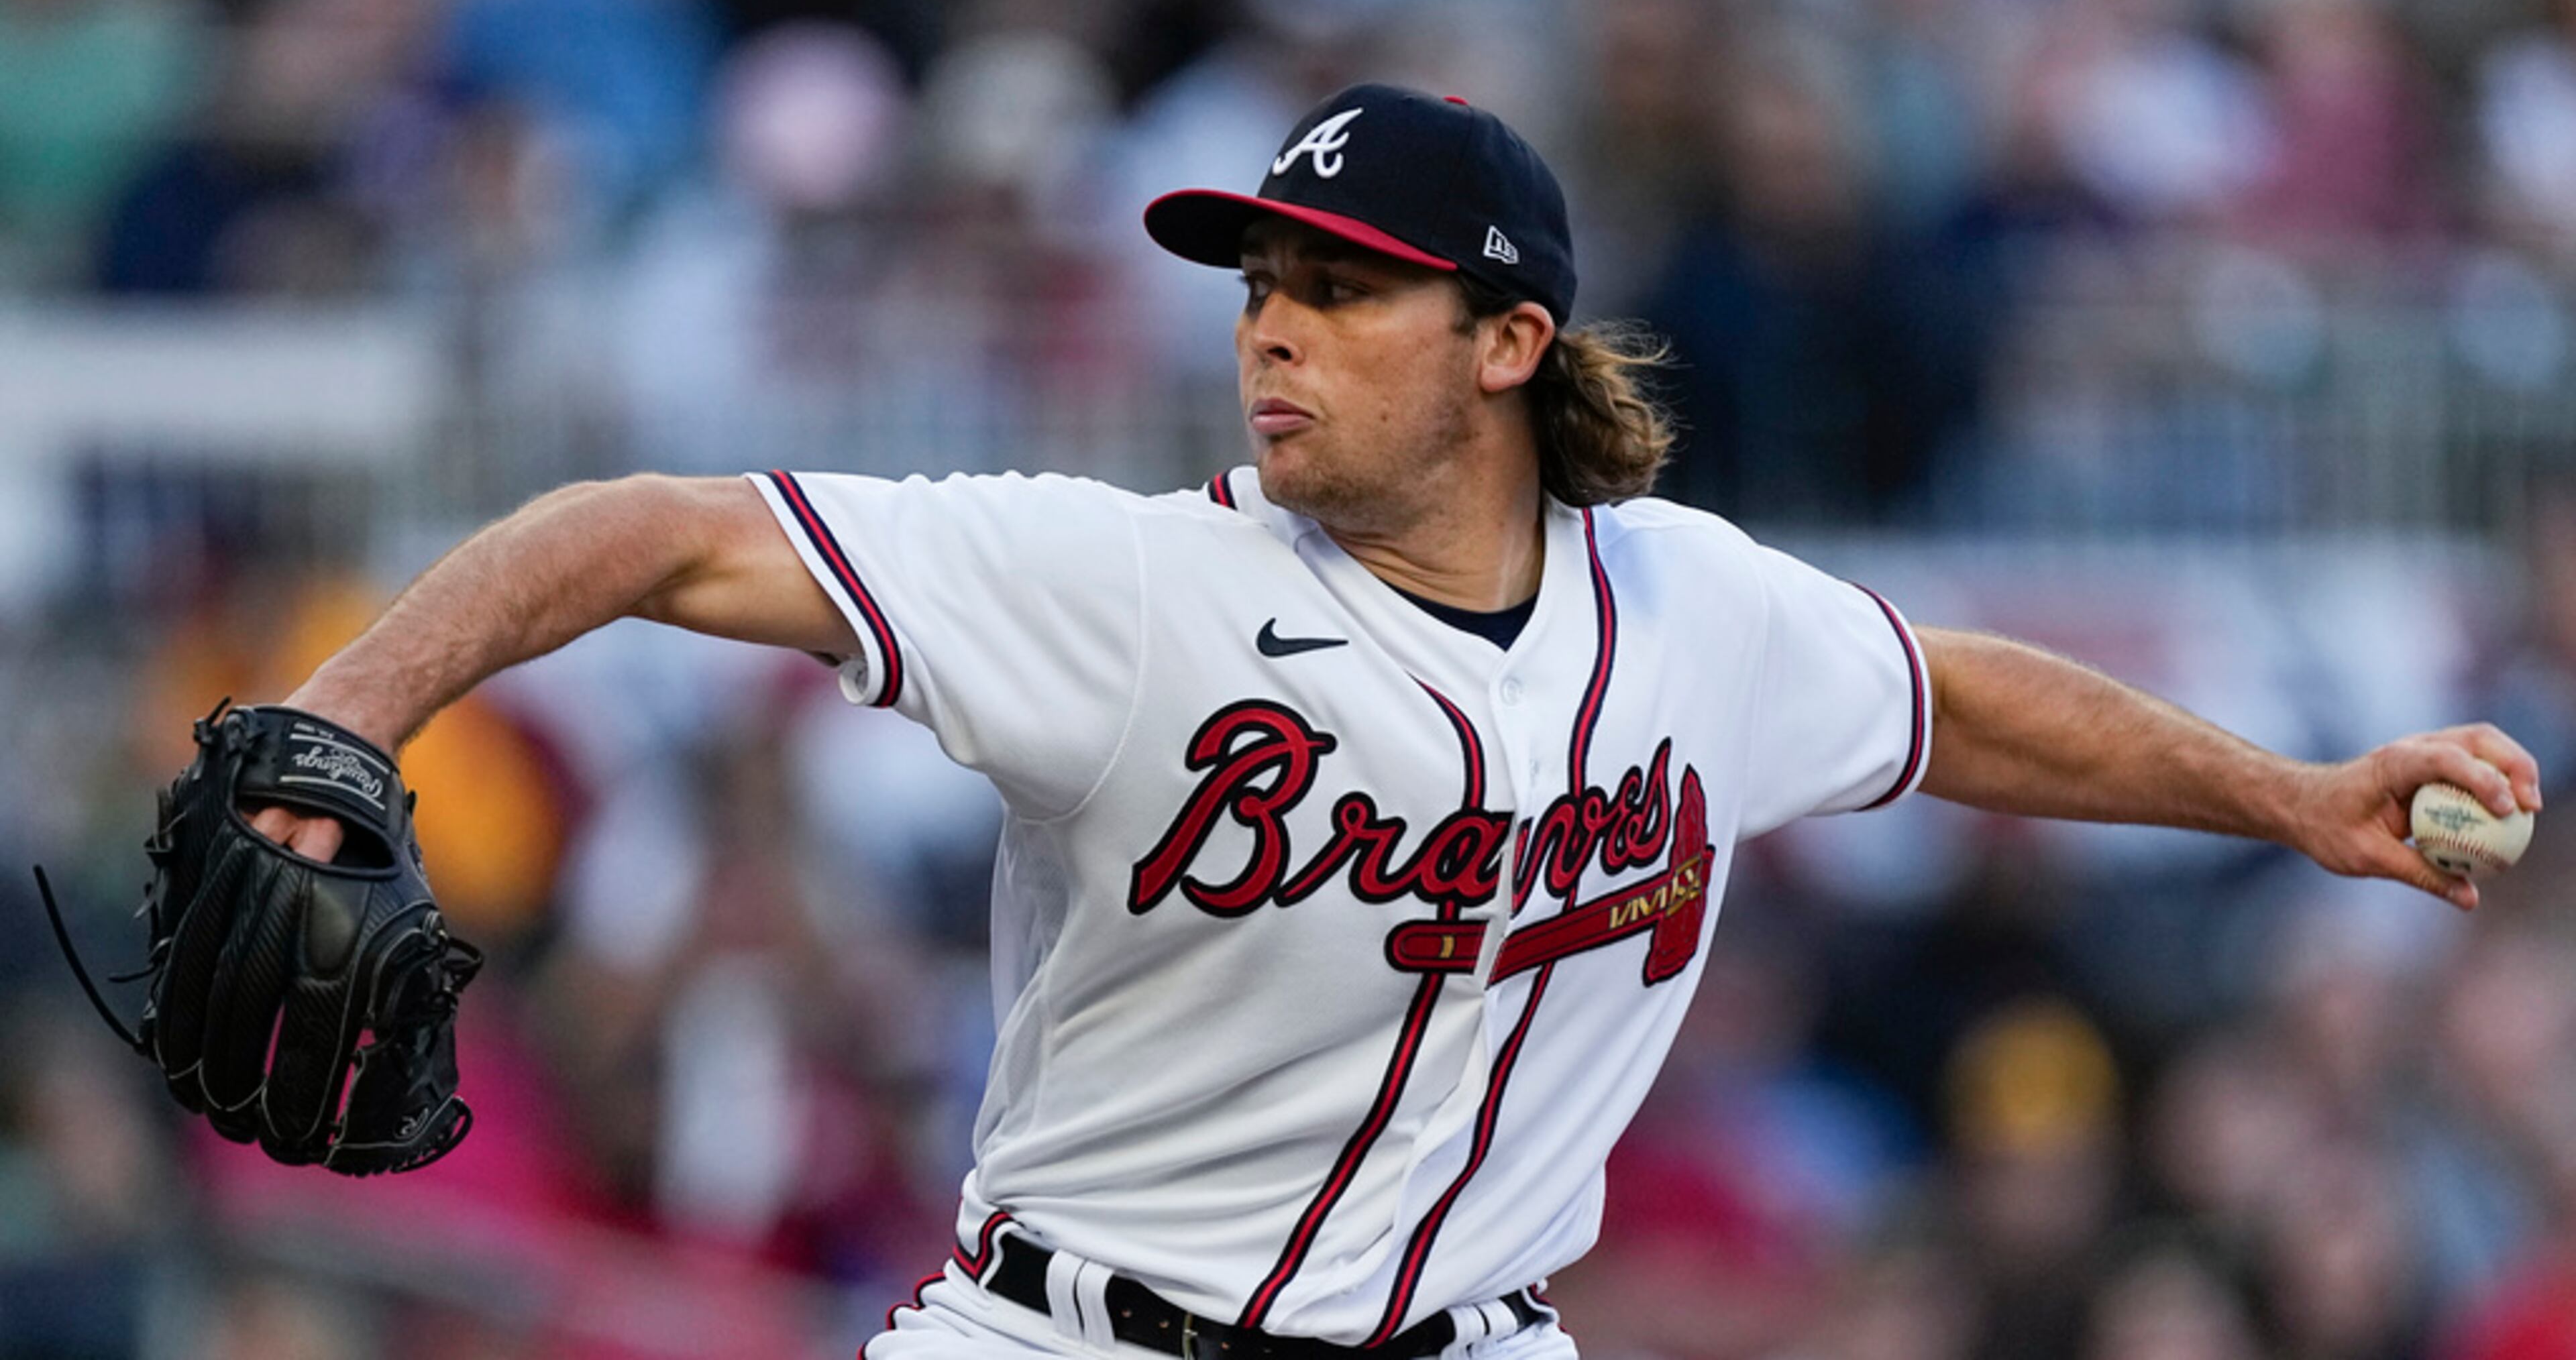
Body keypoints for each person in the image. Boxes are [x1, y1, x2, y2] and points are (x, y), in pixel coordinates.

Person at [246, 84, 2539, 1360]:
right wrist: (346, 715)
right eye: (1260, 288)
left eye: (1343, 291)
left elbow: (1952, 708)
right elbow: (660, 527)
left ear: (1509, 342)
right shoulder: (1134, 585)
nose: (1274, 331)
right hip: (1070, 1343)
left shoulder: (1696, 611)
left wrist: (2289, 797)